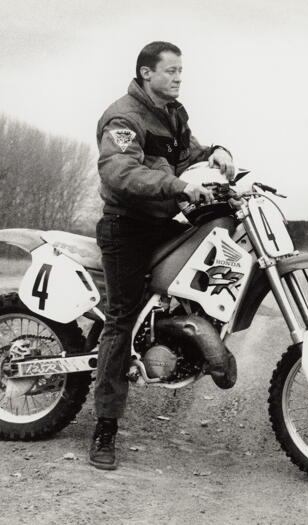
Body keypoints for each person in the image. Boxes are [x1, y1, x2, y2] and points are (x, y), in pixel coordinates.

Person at [89, 41, 235, 470]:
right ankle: (105, 429)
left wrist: (216, 154)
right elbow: (120, 173)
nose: (177, 78)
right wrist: (179, 187)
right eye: (170, 71)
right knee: (120, 317)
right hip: (126, 228)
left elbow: (188, 151)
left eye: (180, 72)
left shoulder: (172, 114)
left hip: (159, 222)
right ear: (146, 73)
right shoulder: (123, 118)